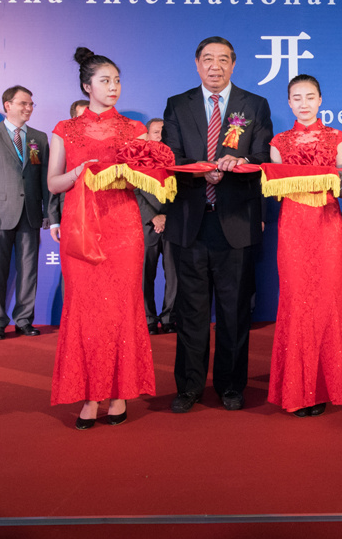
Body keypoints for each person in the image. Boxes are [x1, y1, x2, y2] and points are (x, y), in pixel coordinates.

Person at [49, 47, 164, 428]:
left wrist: (135, 173)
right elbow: (53, 183)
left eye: (117, 80)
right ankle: (89, 396)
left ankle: (119, 393)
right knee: (85, 310)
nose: (113, 87)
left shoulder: (134, 128)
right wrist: (78, 172)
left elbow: (149, 178)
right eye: (105, 80)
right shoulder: (64, 129)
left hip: (123, 226)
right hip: (81, 226)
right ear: (87, 86)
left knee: (122, 309)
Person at [162, 36, 273, 412]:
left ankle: (231, 386)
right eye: (208, 59)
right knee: (190, 312)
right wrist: (202, 171)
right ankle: (189, 387)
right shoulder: (178, 105)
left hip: (236, 222)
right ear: (197, 64)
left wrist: (238, 164)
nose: (215, 66)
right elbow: (171, 156)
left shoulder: (254, 104)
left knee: (234, 311)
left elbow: (262, 155)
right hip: (190, 222)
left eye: (223, 59)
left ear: (233, 64)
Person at [264, 74, 342, 416]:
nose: (304, 104)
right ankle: (296, 389)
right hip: (293, 226)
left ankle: (326, 386)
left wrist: (336, 179)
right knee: (296, 300)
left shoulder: (337, 138)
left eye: (310, 97)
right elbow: (277, 188)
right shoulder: (279, 142)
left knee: (327, 299)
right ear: (289, 103)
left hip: (327, 223)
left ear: (320, 100)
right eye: (297, 98)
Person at [0, 86, 56, 340]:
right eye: (23, 104)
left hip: (30, 213)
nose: (28, 108)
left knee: (29, 271)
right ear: (8, 105)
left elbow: (45, 178)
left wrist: (49, 212)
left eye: (31, 104)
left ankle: (24, 320)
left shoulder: (39, 137)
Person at [139, 118, 177, 336]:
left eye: (164, 132)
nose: (160, 136)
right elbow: (133, 190)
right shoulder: (137, 158)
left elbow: (183, 190)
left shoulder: (175, 157)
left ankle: (170, 317)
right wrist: (153, 217)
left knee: (174, 274)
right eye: (156, 132)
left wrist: (167, 216)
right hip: (146, 224)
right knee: (145, 274)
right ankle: (148, 319)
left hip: (172, 222)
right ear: (146, 135)